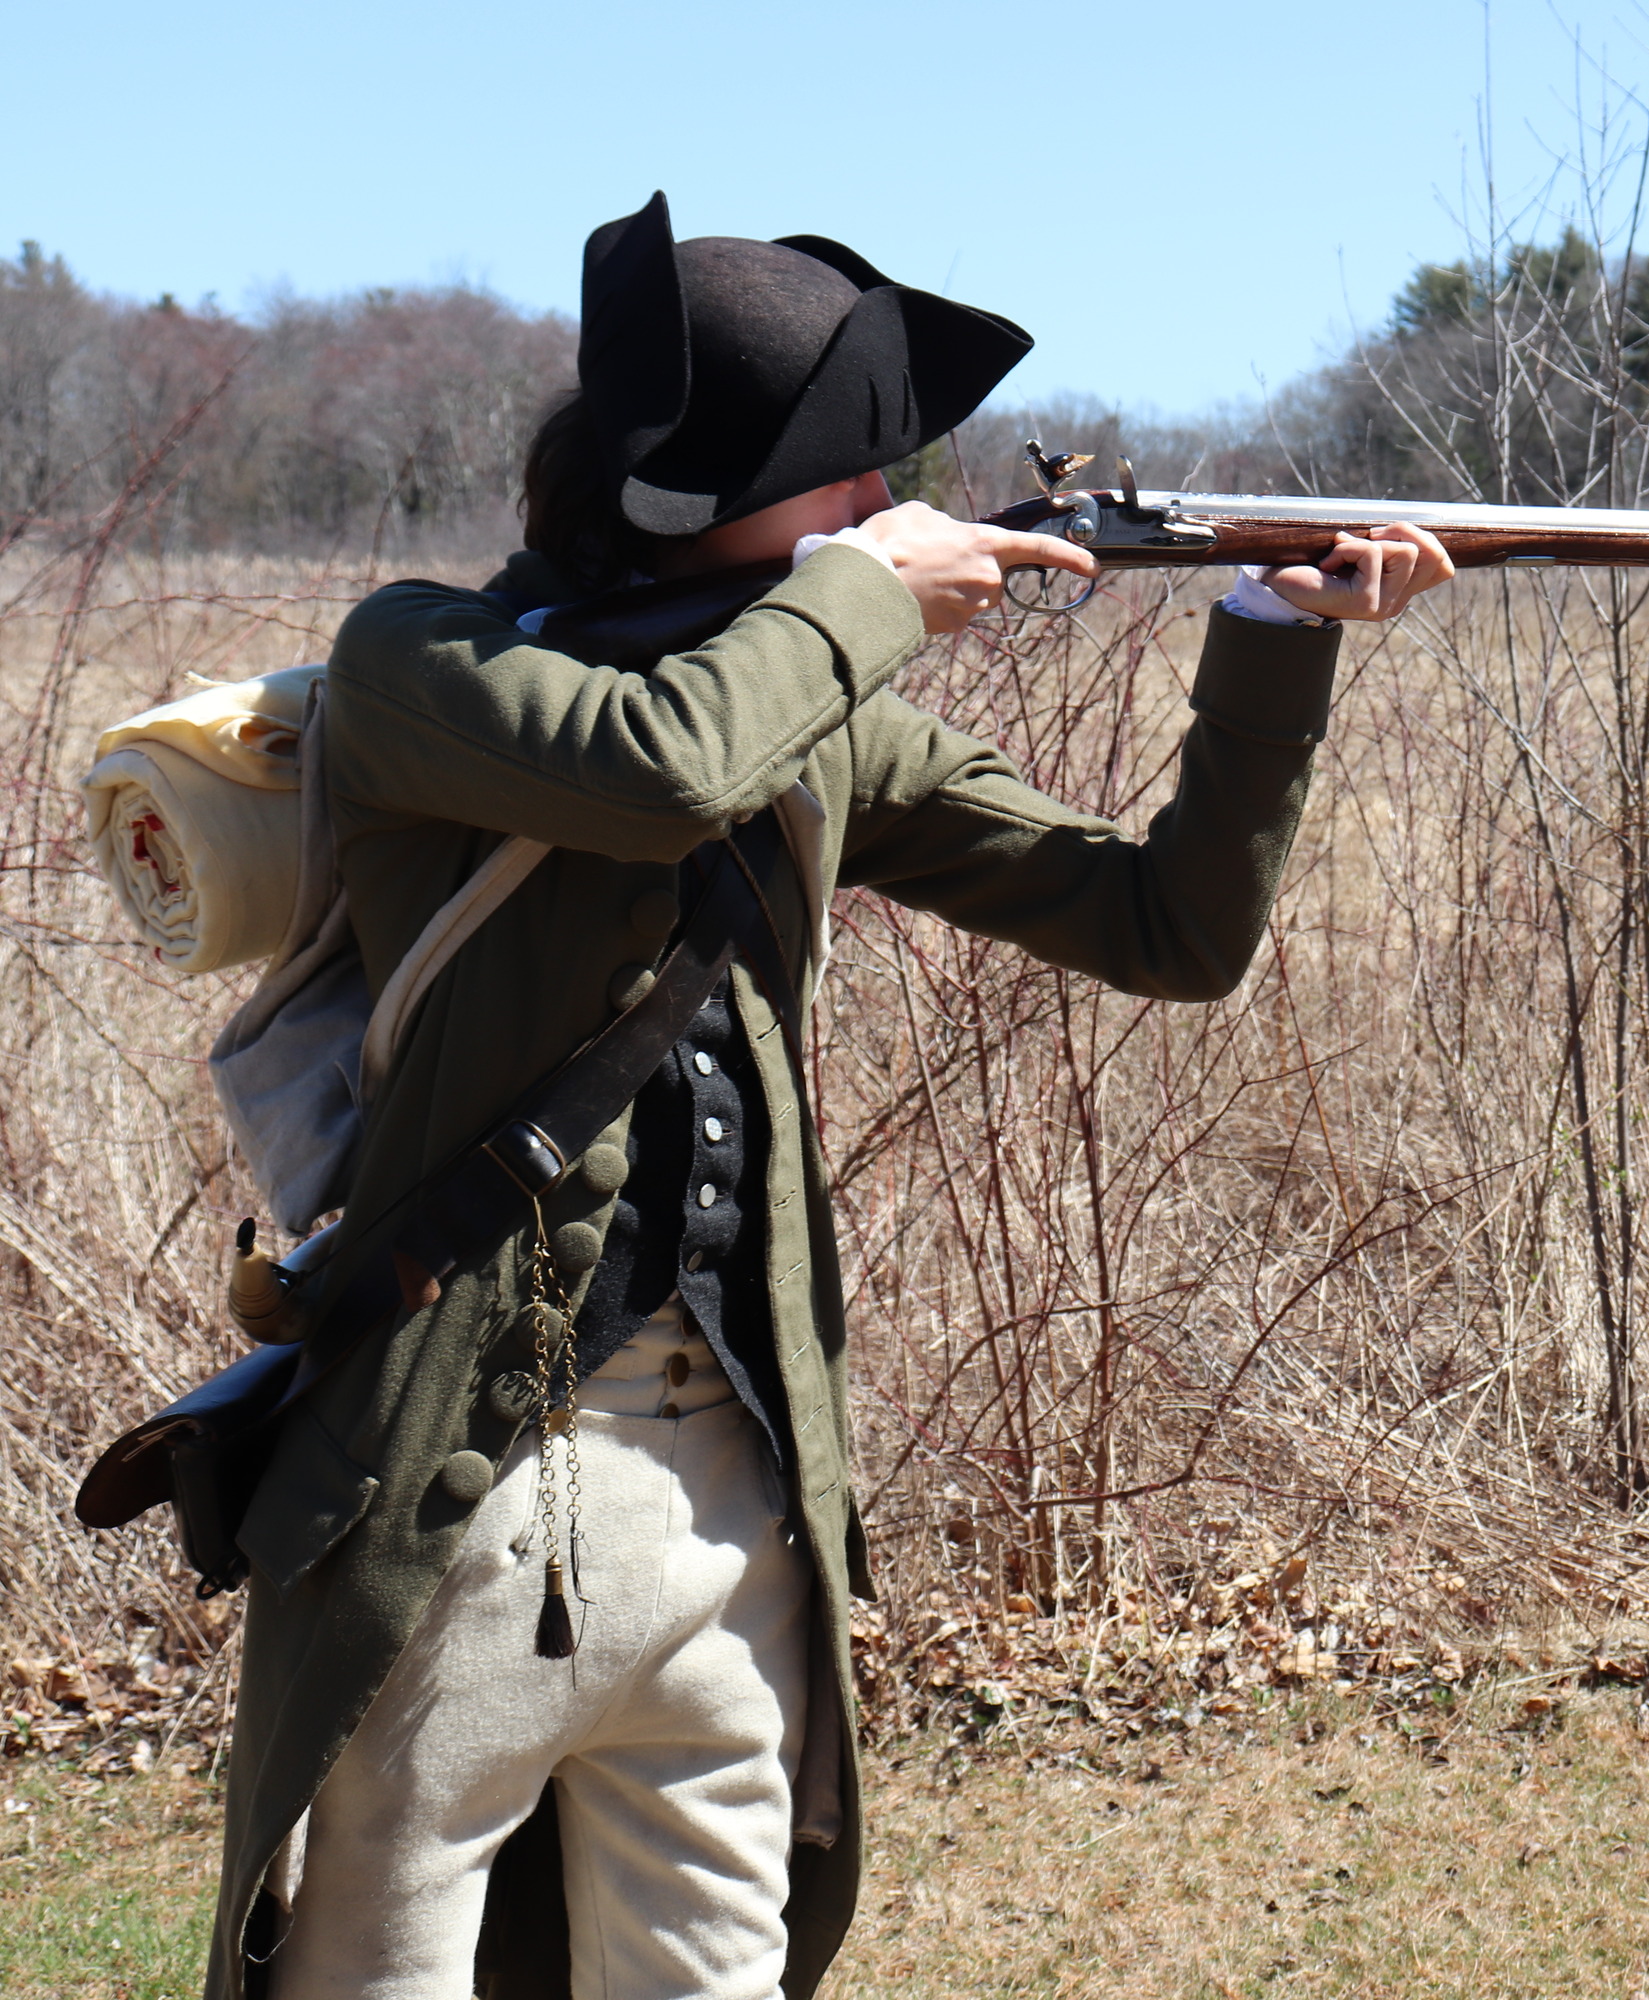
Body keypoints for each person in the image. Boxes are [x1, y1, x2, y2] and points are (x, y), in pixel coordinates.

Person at [204, 191, 1452, 2000]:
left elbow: (1170, 926)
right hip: (443, 1510)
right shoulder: (424, 662)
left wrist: (1274, 624)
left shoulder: (818, 704)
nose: (887, 505)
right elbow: (664, 766)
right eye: (852, 477)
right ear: (707, 502)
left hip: (734, 1506)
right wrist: (865, 602)